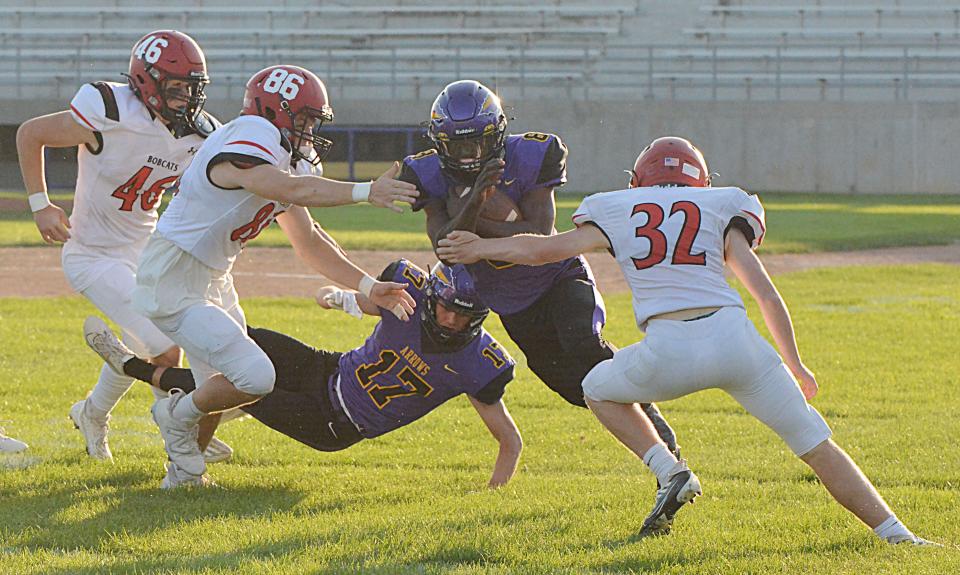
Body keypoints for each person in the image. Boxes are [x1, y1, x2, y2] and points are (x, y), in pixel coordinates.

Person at [437, 136, 938, 545]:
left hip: (669, 348)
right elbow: (765, 295)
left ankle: (669, 469)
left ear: (637, 182)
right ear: (701, 180)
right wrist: (797, 363)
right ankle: (898, 536)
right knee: (816, 444)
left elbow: (547, 250)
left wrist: (483, 245)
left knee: (596, 387)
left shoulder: (617, 208)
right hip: (736, 340)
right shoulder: (722, 205)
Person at [129, 64, 420, 486]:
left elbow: (310, 242)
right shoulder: (249, 134)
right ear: (275, 111)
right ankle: (173, 414)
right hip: (174, 274)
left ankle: (183, 477)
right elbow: (290, 189)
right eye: (303, 120)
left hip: (214, 274)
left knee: (217, 379)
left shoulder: (284, 162)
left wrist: (368, 285)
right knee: (255, 376)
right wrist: (364, 191)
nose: (309, 131)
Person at [398, 79, 680, 457]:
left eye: (476, 143)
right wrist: (478, 199)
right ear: (439, 142)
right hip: (512, 303)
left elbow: (538, 231)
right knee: (573, 387)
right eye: (458, 145)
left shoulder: (532, 154)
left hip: (558, 276)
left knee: (583, 343)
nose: (468, 156)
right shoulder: (427, 173)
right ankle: (641, 415)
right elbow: (447, 249)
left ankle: (651, 421)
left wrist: (471, 221)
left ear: (497, 134)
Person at [85, 261, 522, 488]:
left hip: (334, 423)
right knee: (234, 339)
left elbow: (509, 440)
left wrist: (493, 495)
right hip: (327, 368)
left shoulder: (479, 363)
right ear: (432, 295)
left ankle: (131, 366)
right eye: (445, 307)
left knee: (246, 386)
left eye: (463, 316)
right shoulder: (407, 293)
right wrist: (338, 297)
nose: (449, 321)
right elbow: (358, 300)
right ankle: (151, 337)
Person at [15, 30, 233, 463]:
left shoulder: (200, 132)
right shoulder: (109, 108)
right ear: (147, 81)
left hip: (149, 251)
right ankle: (176, 426)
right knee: (165, 349)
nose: (185, 97)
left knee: (171, 341)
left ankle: (94, 412)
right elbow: (30, 133)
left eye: (192, 88)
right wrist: (40, 204)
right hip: (92, 254)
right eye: (175, 87)